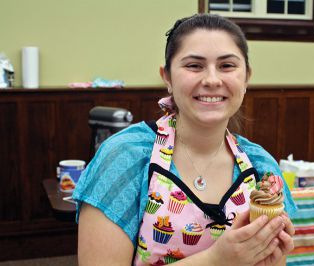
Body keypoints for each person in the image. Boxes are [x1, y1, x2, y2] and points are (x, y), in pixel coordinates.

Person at [73, 13, 297, 266]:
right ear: (167, 77)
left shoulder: (262, 169)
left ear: (246, 78)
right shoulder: (126, 157)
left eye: (227, 66)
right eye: (194, 65)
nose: (212, 80)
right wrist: (216, 260)